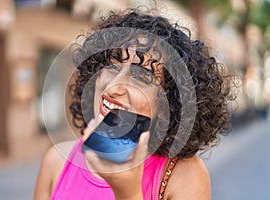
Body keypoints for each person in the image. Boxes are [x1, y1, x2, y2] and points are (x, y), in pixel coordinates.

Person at [34, 8, 235, 200]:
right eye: (112, 66)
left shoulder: (185, 176)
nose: (113, 87)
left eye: (141, 77)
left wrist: (128, 194)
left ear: (169, 108)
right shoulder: (56, 162)